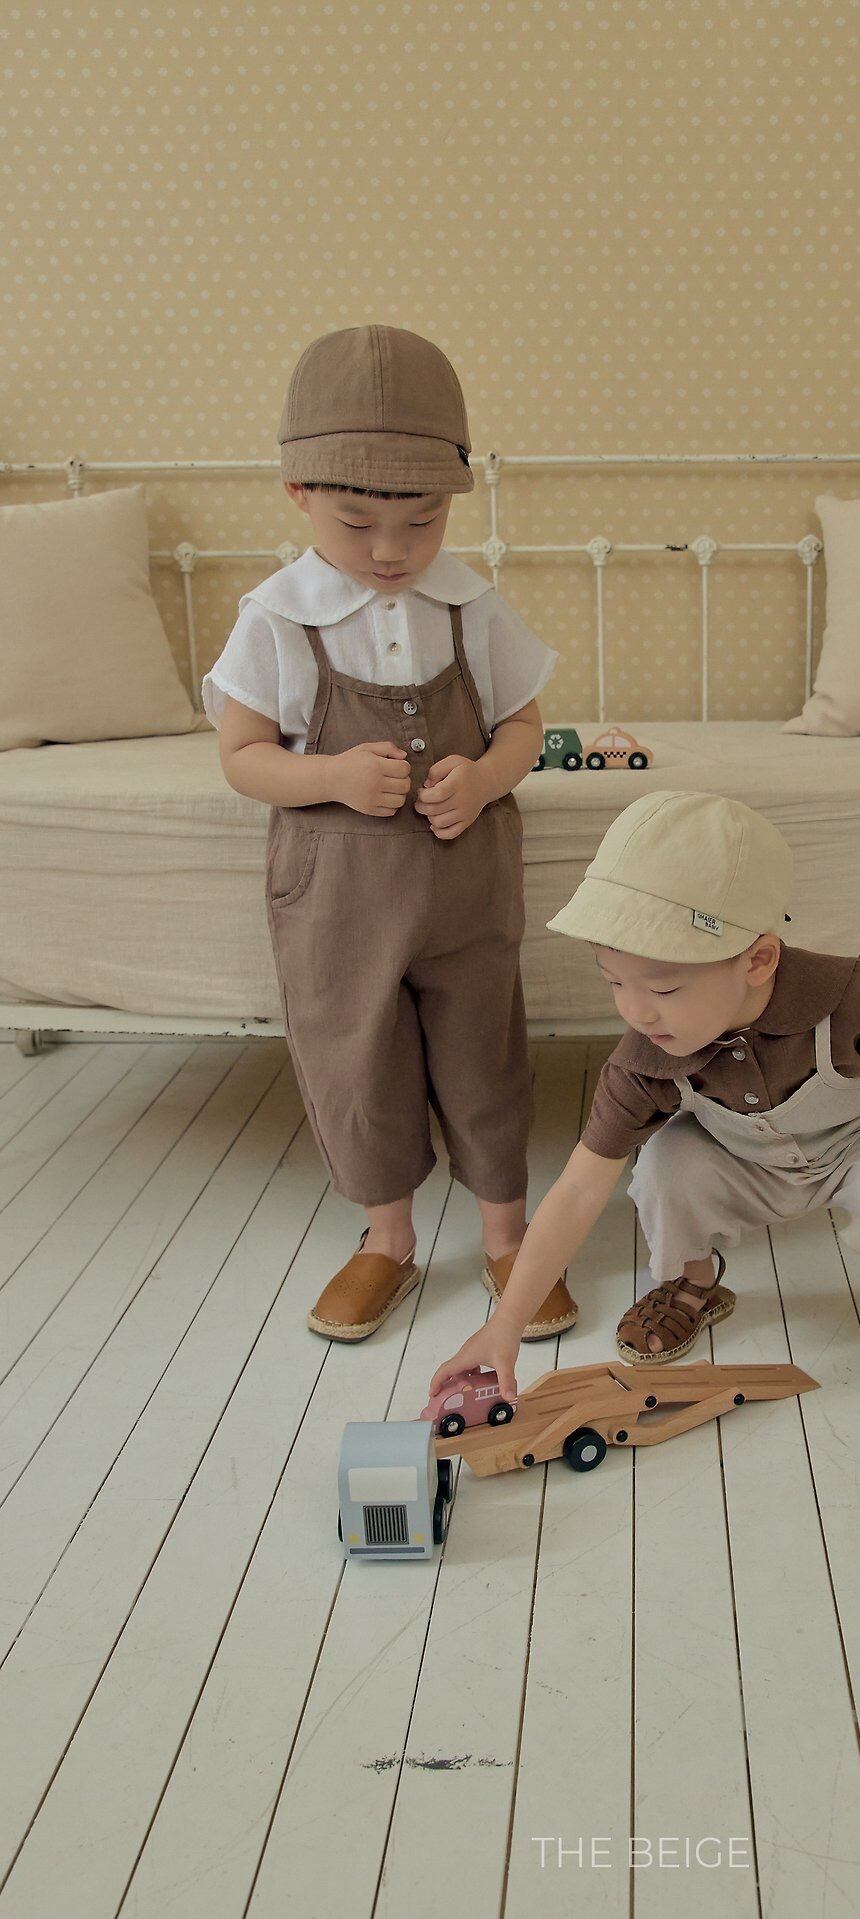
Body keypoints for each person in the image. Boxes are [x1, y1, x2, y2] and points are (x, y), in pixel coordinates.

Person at [428, 789, 860, 1420]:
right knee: (663, 1168)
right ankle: (692, 1281)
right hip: (738, 1157)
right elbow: (575, 1191)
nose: (636, 1011)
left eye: (664, 988)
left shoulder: (849, 991)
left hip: (859, 1143)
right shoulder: (645, 1059)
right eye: (615, 981)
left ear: (758, 960)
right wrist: (504, 1326)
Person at [202, 324, 576, 1342]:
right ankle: (388, 1238)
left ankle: (507, 1236)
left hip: (463, 888)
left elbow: (524, 725)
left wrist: (487, 774)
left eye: (421, 520)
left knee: (484, 1054)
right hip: (340, 898)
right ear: (298, 494)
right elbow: (242, 756)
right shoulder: (278, 618)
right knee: (356, 1060)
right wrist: (326, 775)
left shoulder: (470, 606)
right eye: (358, 521)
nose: (390, 550)